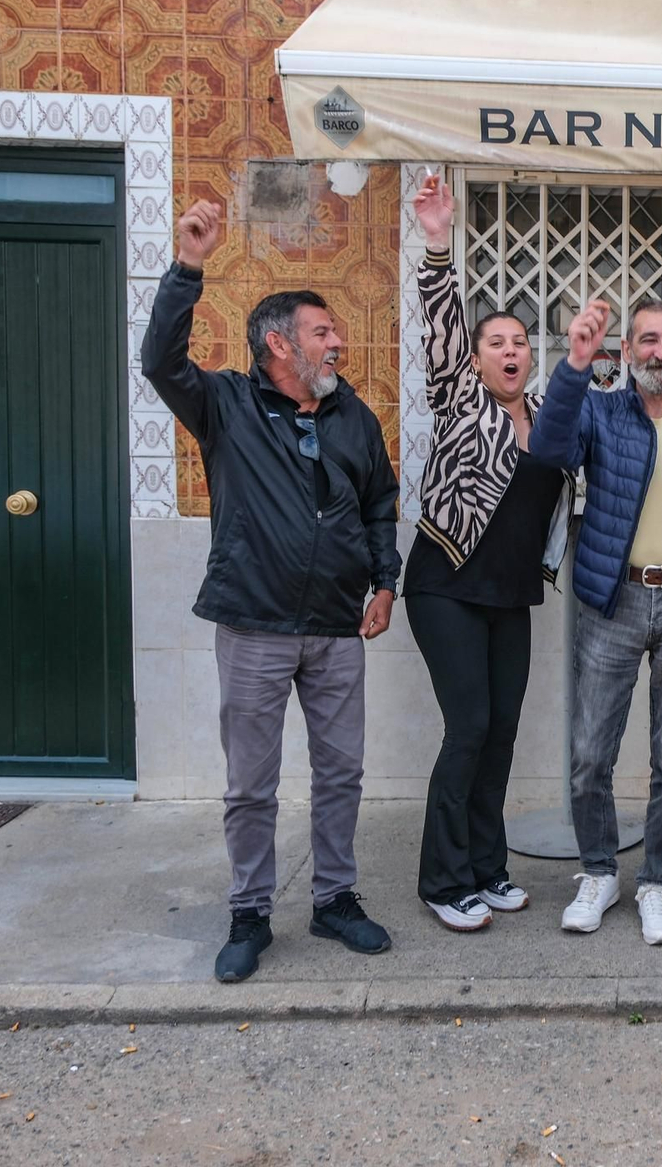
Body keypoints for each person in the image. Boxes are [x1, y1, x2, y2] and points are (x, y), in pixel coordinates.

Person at [141, 198, 398, 983]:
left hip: (335, 628)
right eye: (324, 331)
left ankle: (334, 899)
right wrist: (189, 267)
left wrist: (386, 580)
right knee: (250, 784)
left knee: (342, 771)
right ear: (279, 342)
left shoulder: (354, 416)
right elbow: (159, 361)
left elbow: (381, 501)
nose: (340, 341)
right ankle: (250, 911)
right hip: (253, 622)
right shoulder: (225, 405)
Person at [526, 295, 662, 946]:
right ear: (627, 352)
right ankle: (598, 872)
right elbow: (547, 448)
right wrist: (574, 363)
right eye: (648, 339)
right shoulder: (599, 409)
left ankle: (656, 882)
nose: (661, 351)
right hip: (611, 600)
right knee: (590, 755)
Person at [404, 174, 574, 933]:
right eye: (496, 343)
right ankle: (443, 880)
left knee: (500, 731)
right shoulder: (461, 398)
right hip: (445, 581)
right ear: (474, 361)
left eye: (519, 344)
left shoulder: (548, 418)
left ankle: (486, 867)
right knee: (468, 724)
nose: (511, 351)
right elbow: (440, 326)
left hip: (511, 593)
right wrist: (438, 244)